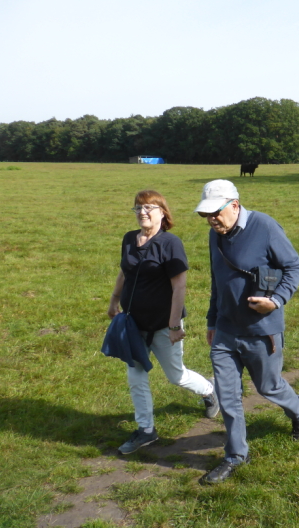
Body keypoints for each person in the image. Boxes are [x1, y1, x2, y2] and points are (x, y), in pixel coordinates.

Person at [194, 180, 299, 485]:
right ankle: (235, 456)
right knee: (227, 396)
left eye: (215, 213)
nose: (211, 220)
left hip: (262, 331)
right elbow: (216, 282)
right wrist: (211, 321)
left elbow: (295, 267)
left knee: (268, 387)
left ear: (234, 205)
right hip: (226, 331)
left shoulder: (264, 226)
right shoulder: (214, 236)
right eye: (206, 215)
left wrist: (275, 301)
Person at [108, 190, 219, 455]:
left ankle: (209, 391)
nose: (142, 212)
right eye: (138, 208)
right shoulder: (129, 239)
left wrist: (173, 325)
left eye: (149, 207)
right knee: (136, 376)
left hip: (162, 323)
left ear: (162, 213)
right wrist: (114, 300)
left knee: (176, 375)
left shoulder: (170, 243)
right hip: (134, 323)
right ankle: (146, 430)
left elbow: (179, 286)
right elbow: (125, 270)